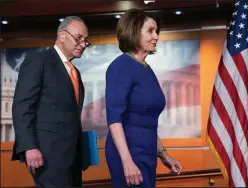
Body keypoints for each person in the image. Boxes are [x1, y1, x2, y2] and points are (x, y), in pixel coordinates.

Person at [105, 8, 182, 188]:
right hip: (128, 153)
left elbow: (146, 120)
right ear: (132, 31)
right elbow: (114, 119)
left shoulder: (146, 69)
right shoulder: (120, 66)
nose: (156, 36)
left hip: (147, 151)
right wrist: (127, 162)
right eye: (150, 31)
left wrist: (164, 155)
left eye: (156, 31)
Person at [11, 16, 89, 187]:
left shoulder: (74, 71)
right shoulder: (39, 61)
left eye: (86, 41)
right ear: (62, 35)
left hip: (73, 156)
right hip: (46, 155)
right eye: (79, 38)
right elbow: (22, 106)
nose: (83, 44)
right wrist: (29, 147)